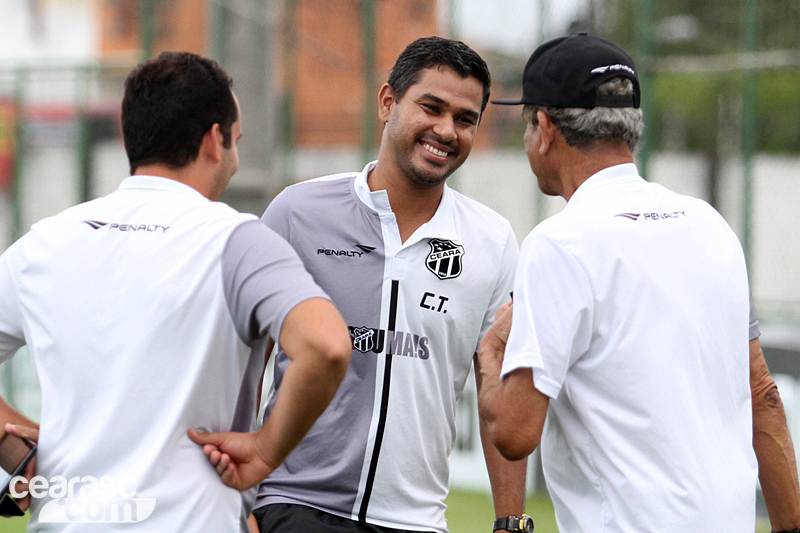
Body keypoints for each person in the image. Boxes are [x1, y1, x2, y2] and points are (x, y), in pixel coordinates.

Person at [0, 51, 352, 532]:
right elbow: (327, 346)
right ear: (214, 140)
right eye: (236, 141)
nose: (235, 158)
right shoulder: (236, 241)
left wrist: (13, 439)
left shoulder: (44, 243)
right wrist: (266, 452)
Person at [477, 33, 800, 532]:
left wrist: (492, 361)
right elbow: (763, 395)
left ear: (543, 128)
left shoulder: (559, 243)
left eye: (526, 123)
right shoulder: (710, 226)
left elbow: (516, 434)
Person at [229, 36, 527, 533]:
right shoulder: (297, 213)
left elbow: (498, 392)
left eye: (464, 119)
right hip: (294, 508)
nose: (445, 130)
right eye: (431, 107)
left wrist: (510, 524)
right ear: (388, 102)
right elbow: (243, 364)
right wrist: (239, 505)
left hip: (415, 522)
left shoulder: (492, 241)